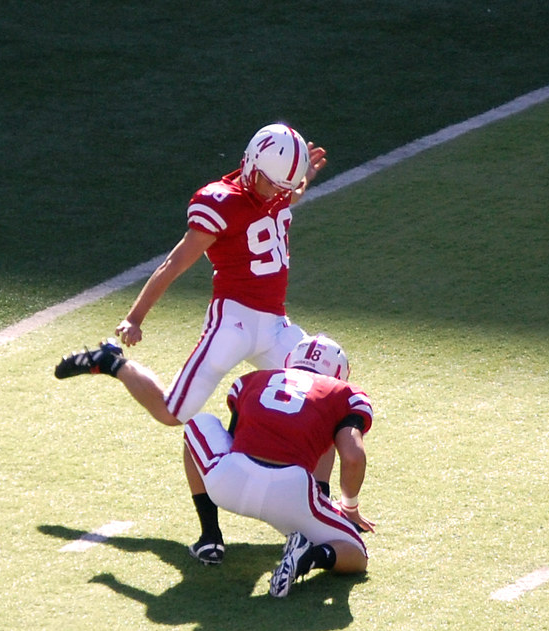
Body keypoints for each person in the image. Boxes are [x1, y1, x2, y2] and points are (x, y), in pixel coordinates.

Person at [55, 124, 331, 565]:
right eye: (270, 181)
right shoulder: (220, 202)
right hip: (232, 321)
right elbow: (173, 263)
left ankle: (321, 514)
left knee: (324, 401)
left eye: (284, 184)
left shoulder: (276, 188)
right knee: (174, 413)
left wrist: (298, 182)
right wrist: (135, 317)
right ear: (250, 164)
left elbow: (284, 197)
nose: (275, 191)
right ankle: (111, 362)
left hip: (276, 325)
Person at [182, 334, 376, 598]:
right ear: (340, 373)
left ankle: (210, 537)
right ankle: (310, 556)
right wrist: (349, 508)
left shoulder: (252, 380)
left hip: (229, 484)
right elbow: (353, 456)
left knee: (198, 424)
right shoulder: (343, 393)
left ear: (290, 360)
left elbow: (233, 437)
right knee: (356, 553)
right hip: (292, 499)